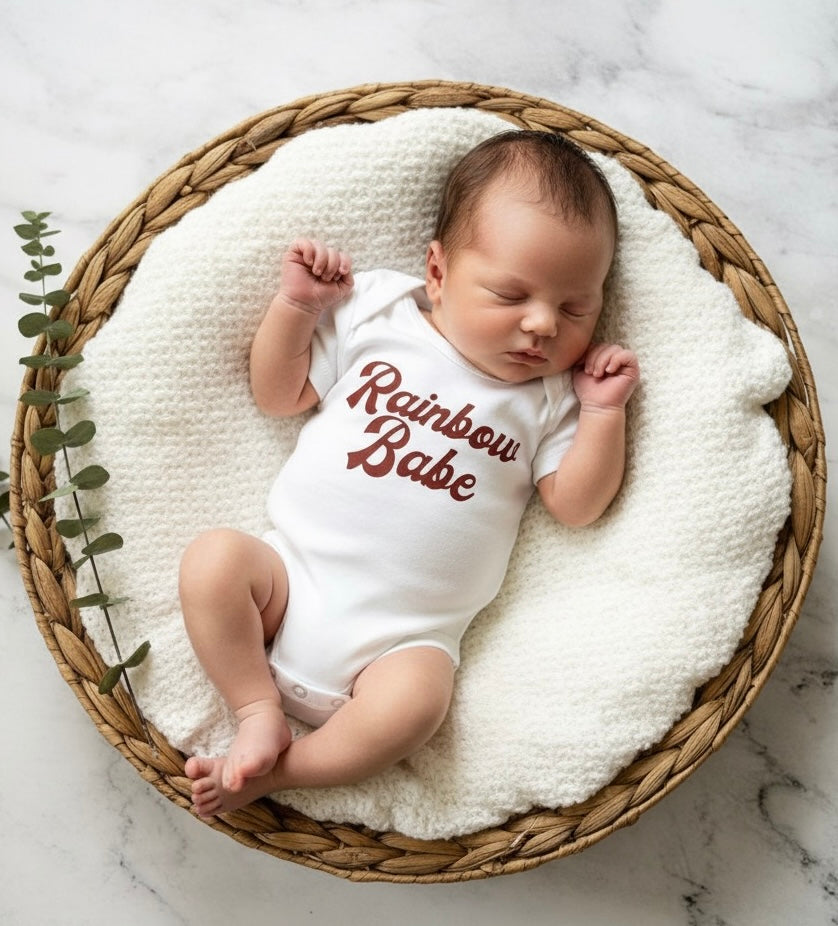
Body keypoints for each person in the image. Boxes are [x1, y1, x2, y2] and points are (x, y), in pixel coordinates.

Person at [181, 130, 640, 817]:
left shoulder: (551, 399)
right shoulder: (381, 315)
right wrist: (297, 308)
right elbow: (278, 395)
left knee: (419, 705)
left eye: (577, 308)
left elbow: (575, 505)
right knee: (212, 560)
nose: (543, 324)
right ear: (437, 272)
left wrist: (603, 414)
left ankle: (285, 774)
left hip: (402, 641)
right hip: (285, 582)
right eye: (511, 294)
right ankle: (255, 710)